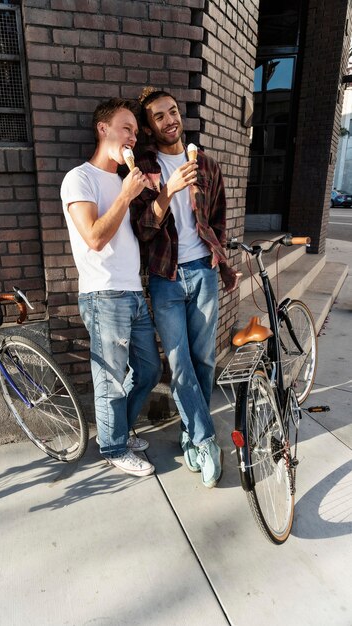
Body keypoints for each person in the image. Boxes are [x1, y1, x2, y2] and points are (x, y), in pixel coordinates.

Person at [130, 87, 240, 488]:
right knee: (178, 363)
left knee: (204, 360)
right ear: (149, 126)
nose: (170, 120)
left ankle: (191, 433)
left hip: (204, 273)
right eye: (159, 116)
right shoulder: (143, 169)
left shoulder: (207, 164)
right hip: (166, 277)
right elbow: (143, 228)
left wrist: (218, 251)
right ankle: (207, 441)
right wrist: (169, 189)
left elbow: (221, 215)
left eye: (173, 112)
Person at [61, 98, 162, 477]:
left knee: (149, 371)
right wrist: (125, 195)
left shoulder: (123, 180)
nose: (132, 137)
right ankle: (114, 447)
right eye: (126, 128)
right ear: (103, 129)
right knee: (110, 379)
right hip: (104, 295)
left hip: (133, 293)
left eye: (136, 132)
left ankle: (119, 429)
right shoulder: (79, 178)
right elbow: (94, 238)